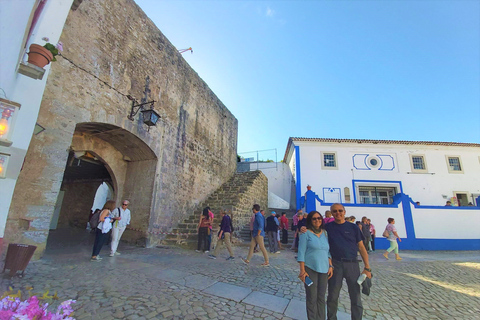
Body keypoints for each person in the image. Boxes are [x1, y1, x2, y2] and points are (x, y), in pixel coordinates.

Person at [302, 204, 371, 320]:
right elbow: (314, 229)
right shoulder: (327, 228)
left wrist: (367, 267)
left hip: (352, 264)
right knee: (333, 296)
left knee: (355, 296)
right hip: (335, 265)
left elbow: (361, 247)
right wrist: (303, 229)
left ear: (344, 212)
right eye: (335, 211)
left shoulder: (353, 227)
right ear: (331, 213)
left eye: (340, 211)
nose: (337, 213)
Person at [297, 211, 333, 320]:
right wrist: (302, 271)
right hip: (310, 269)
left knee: (321, 297)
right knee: (312, 297)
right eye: (314, 219)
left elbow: (327, 252)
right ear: (310, 221)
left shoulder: (325, 233)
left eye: (319, 218)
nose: (317, 220)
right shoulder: (305, 233)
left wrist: (330, 266)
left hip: (324, 269)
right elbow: (301, 252)